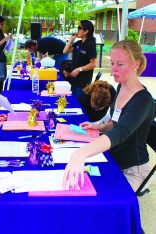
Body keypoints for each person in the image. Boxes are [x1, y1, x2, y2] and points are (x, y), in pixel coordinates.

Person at [63, 40, 155, 192]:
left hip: (132, 170)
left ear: (136, 64)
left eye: (120, 64)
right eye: (112, 63)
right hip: (113, 158)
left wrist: (81, 153)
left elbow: (120, 133)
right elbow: (116, 122)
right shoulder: (121, 87)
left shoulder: (142, 100)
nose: (114, 69)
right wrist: (98, 126)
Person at [63, 20, 97, 98]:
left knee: (78, 102)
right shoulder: (79, 43)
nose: (77, 30)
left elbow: (93, 64)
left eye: (79, 27)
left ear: (86, 31)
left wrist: (79, 69)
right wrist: (71, 39)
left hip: (82, 82)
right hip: (73, 79)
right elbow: (65, 51)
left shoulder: (90, 44)